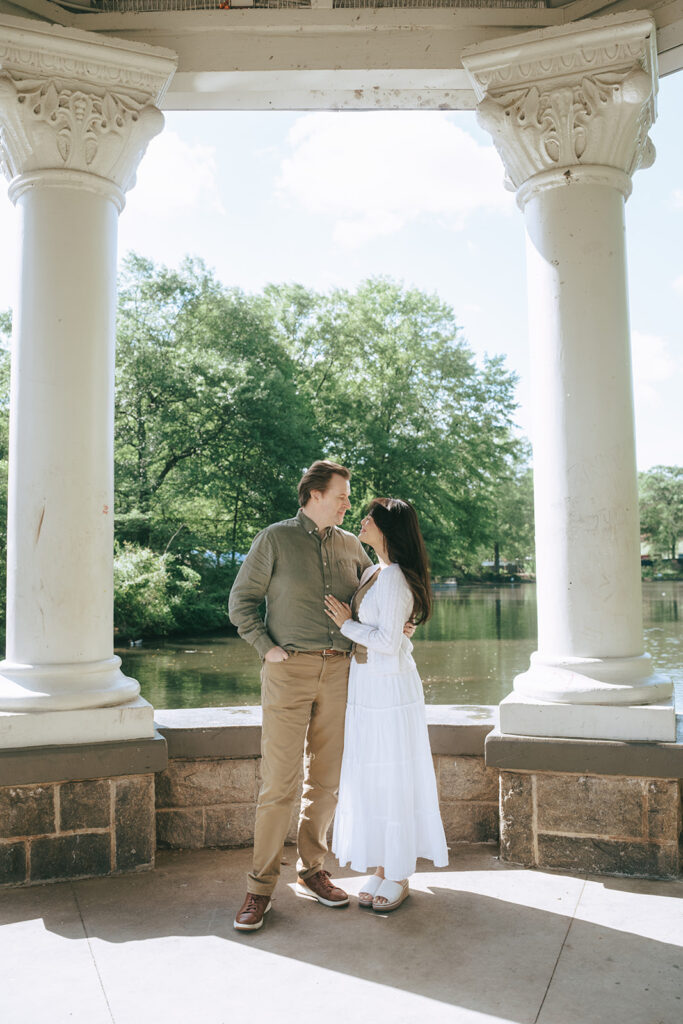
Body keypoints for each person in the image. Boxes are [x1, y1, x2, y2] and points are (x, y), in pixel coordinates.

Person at [228, 460, 375, 931]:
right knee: (279, 784)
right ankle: (259, 889)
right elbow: (240, 602)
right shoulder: (275, 539)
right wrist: (265, 647)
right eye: (341, 495)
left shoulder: (351, 545)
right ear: (315, 494)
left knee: (326, 782)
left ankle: (313, 870)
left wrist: (400, 623)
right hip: (288, 671)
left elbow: (379, 595)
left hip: (341, 673)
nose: (348, 503)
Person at [324, 497, 448, 912]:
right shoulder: (374, 571)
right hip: (366, 685)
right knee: (373, 776)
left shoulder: (394, 578)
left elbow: (388, 642)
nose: (362, 520)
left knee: (393, 775)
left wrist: (346, 624)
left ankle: (398, 872)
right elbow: (392, 630)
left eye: (370, 518)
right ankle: (381, 865)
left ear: (387, 529)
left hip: (390, 689)